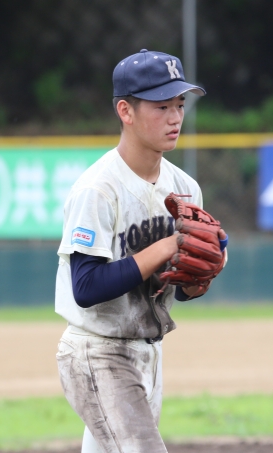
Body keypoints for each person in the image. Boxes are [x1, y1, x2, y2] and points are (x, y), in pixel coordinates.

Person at [54, 49, 227, 453]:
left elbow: (181, 287)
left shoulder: (185, 188)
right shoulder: (98, 189)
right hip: (98, 352)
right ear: (125, 111)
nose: (175, 117)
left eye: (179, 104)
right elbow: (87, 287)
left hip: (149, 352)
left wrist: (201, 275)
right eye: (161, 106)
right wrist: (168, 246)